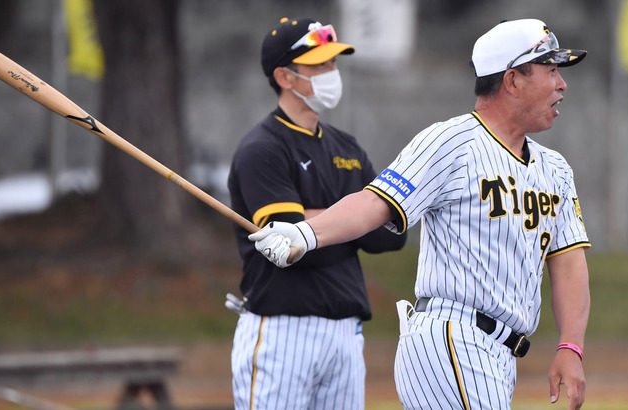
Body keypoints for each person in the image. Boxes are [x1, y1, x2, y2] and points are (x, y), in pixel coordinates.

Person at [249, 18, 591, 410]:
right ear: (512, 80)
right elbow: (376, 202)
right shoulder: (451, 142)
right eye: (550, 70)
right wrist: (304, 235)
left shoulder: (556, 169)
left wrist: (571, 347)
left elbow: (568, 261)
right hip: (451, 338)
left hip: (500, 352)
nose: (562, 84)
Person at [227, 17, 407, 410]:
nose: (331, 74)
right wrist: (356, 217)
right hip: (282, 330)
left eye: (332, 64)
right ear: (285, 77)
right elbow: (290, 242)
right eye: (319, 65)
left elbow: (392, 235)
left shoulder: (348, 147)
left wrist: (322, 223)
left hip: (345, 332)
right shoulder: (262, 148)